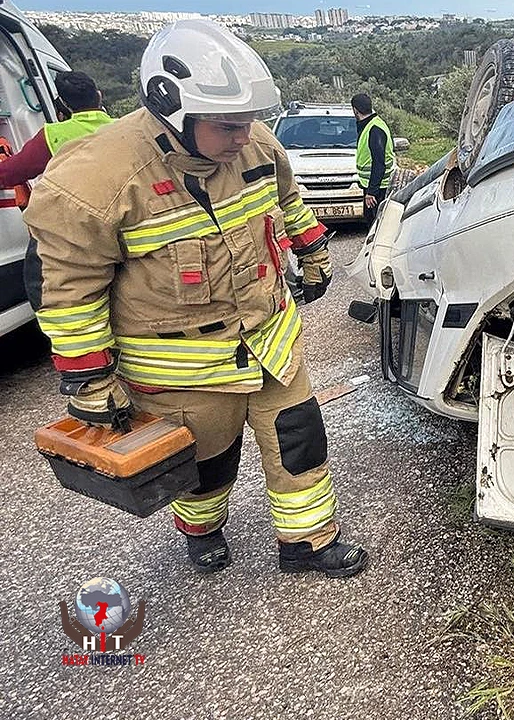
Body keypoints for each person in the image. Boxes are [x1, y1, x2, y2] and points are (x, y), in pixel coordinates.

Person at [24, 19, 368, 578]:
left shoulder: (255, 145)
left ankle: (308, 542)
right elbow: (69, 293)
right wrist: (90, 382)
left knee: (300, 440)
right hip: (181, 366)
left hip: (270, 340)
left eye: (248, 122)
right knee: (207, 466)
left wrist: (313, 253)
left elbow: (286, 201)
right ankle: (202, 531)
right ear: (172, 111)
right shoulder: (98, 182)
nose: (243, 137)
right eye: (228, 126)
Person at [0, 71, 111, 187]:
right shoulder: (121, 127)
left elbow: (12, 172)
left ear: (63, 104)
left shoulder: (53, 135)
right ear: (99, 95)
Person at [350, 92, 394, 223]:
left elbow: (379, 163)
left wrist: (371, 192)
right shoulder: (372, 124)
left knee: (376, 224)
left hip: (378, 188)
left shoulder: (374, 129)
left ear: (355, 110)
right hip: (373, 185)